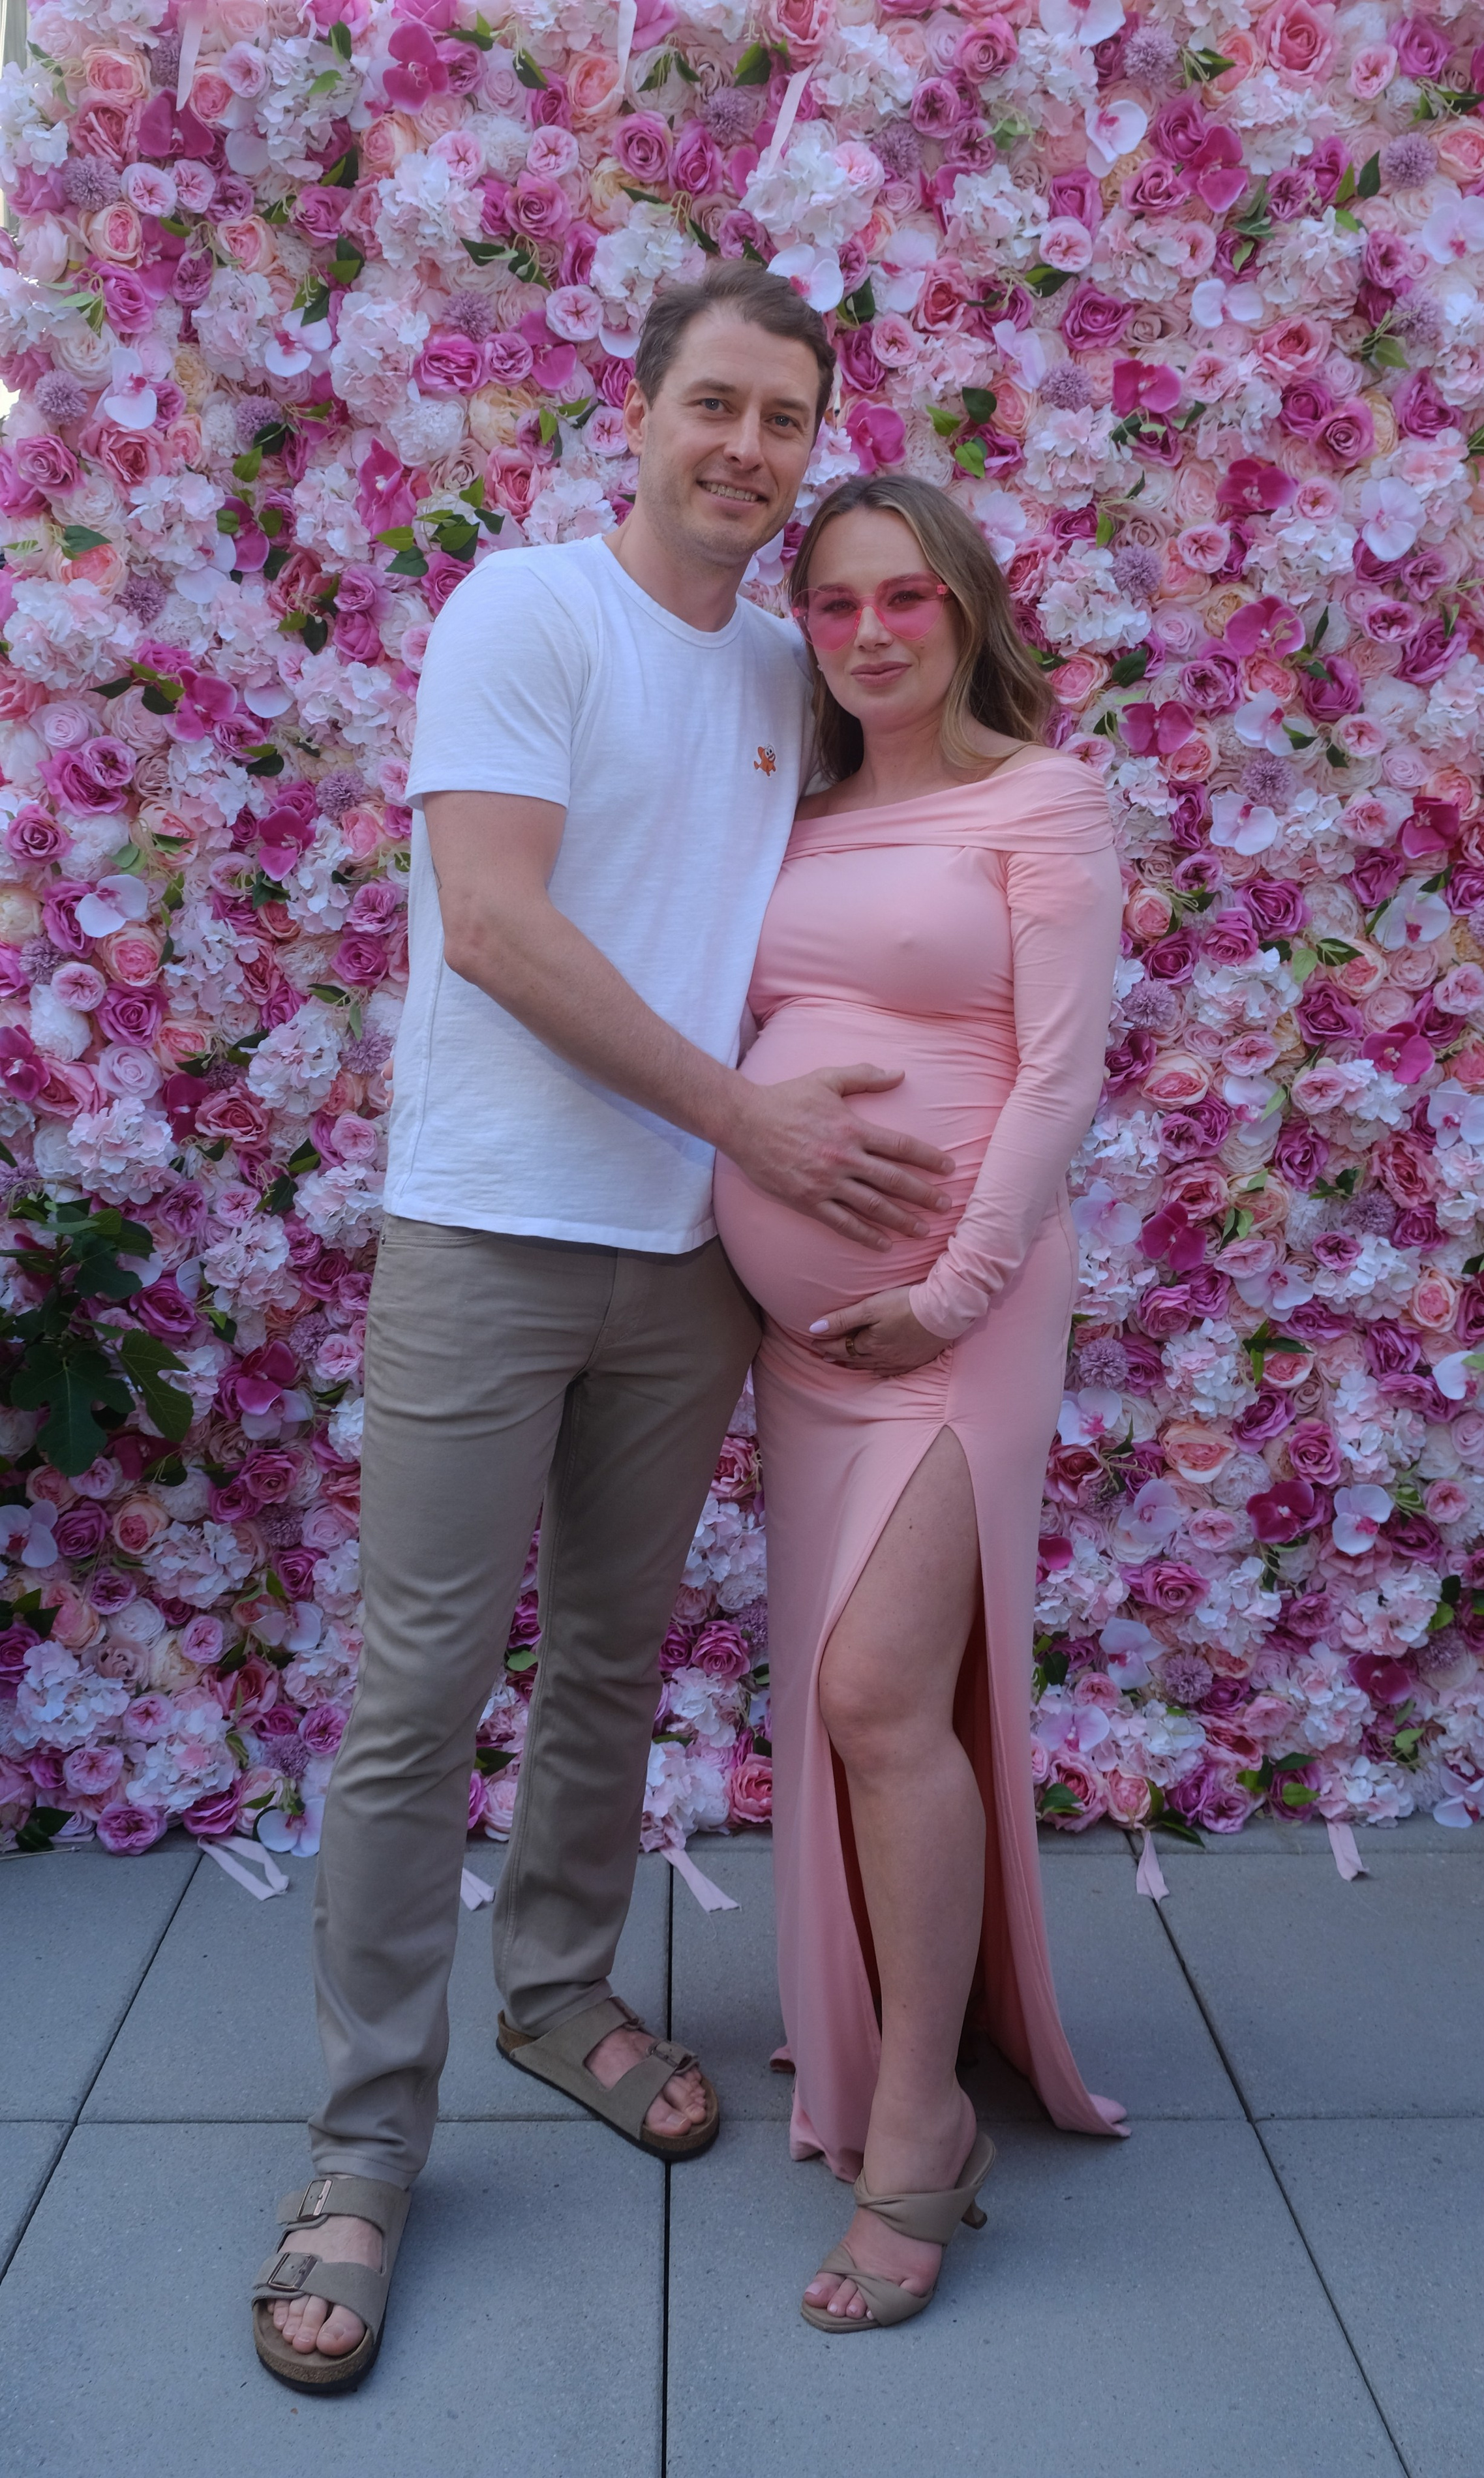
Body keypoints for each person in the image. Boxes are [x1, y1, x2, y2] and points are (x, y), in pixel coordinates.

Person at [251, 266, 957, 2394]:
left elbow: (893, 852)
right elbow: (497, 927)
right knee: (418, 1691)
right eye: (715, 405)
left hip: (685, 1261)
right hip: (488, 1223)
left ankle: (559, 1991)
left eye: (784, 419)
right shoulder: (523, 614)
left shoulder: (785, 660)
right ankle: (364, 2151)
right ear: (639, 411)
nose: (748, 449)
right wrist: (752, 1113)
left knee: (615, 1661)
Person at [712, 474, 1128, 2334]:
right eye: (835, 605)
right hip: (805, 1350)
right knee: (850, 1699)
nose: (872, 634)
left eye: (909, 601)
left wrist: (946, 1288)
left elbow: (1054, 1078)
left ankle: (922, 2117)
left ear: (966, 613)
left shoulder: (1040, 800)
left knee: (887, 1691)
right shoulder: (786, 819)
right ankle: (893, 2045)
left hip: (959, 1320)